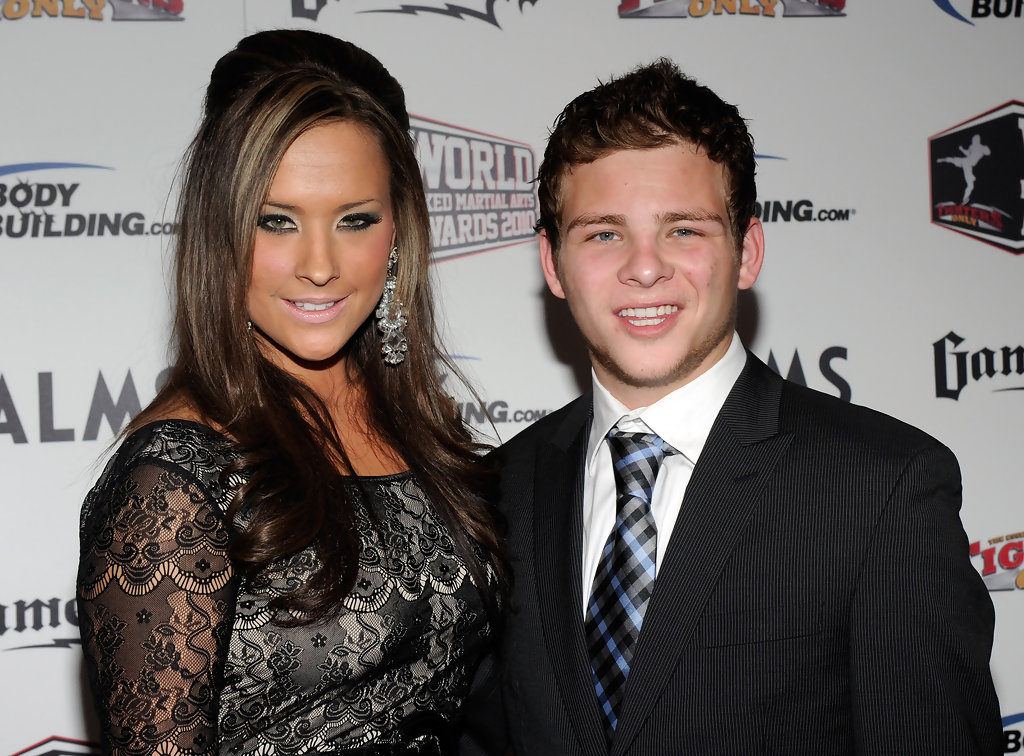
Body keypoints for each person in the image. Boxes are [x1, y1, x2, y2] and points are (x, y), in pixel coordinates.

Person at [490, 59, 1002, 754]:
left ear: (748, 251)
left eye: (684, 230)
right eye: (604, 233)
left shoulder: (882, 487)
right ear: (553, 264)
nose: (645, 267)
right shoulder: (496, 494)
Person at [77, 30, 505, 756]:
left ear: (398, 231)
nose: (319, 265)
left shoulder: (426, 432)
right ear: (221, 233)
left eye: (354, 220)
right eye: (276, 221)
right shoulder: (173, 482)